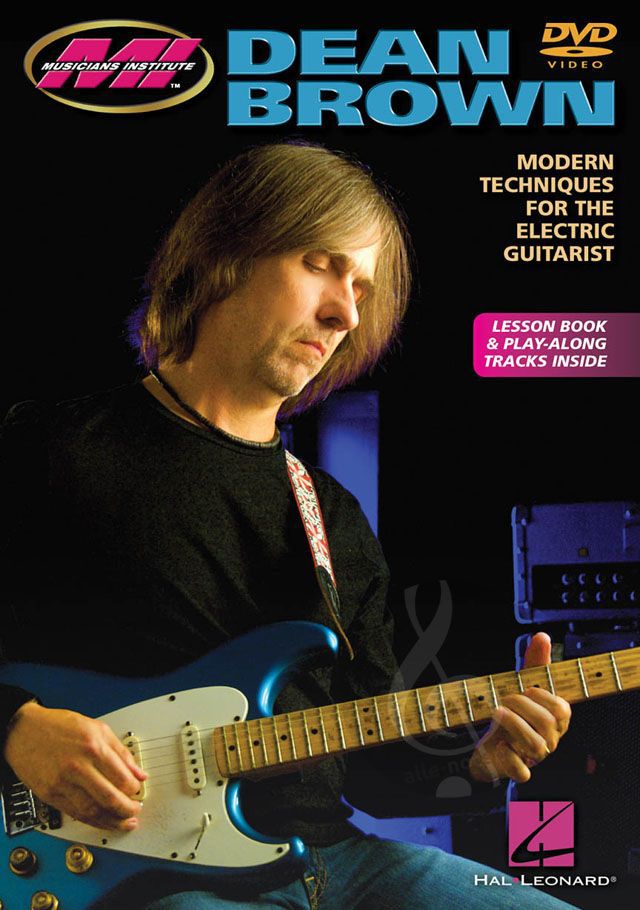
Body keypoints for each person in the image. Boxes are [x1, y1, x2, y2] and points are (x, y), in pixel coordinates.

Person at [0, 142, 572, 909]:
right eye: (321, 265)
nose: (346, 314)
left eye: (361, 288)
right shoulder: (46, 449)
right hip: (133, 878)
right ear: (225, 253)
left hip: (338, 864)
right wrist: (16, 728)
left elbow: (369, 770)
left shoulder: (329, 514)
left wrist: (477, 762)